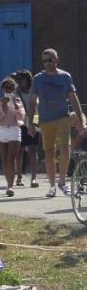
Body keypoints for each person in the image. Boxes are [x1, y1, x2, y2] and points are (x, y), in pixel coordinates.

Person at [30, 48, 85, 197]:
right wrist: (30, 122)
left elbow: (73, 98)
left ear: (56, 60)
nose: (47, 63)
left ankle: (62, 182)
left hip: (62, 117)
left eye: (50, 60)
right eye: (44, 61)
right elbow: (32, 101)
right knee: (49, 152)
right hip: (45, 119)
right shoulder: (38, 78)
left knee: (65, 148)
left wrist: (80, 118)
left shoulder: (65, 76)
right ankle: (52, 185)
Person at [0, 76, 26, 197]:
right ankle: (8, 183)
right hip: (2, 130)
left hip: (14, 130)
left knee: (11, 159)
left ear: (14, 89)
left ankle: (10, 186)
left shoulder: (18, 102)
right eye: (6, 88)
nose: (8, 90)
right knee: (4, 159)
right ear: (2, 89)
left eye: (11, 88)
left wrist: (16, 106)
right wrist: (3, 105)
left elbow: (21, 117)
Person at [14, 69, 40, 188]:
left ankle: (34, 178)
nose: (19, 81)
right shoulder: (14, 94)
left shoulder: (34, 93)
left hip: (32, 126)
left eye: (22, 79)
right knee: (19, 152)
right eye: (18, 79)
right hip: (19, 126)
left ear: (28, 80)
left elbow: (37, 111)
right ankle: (18, 177)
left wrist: (34, 125)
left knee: (33, 151)